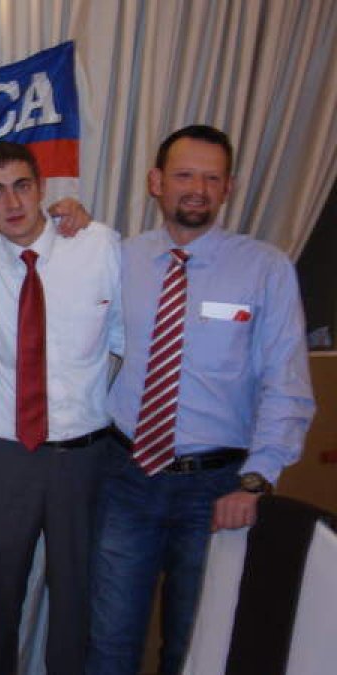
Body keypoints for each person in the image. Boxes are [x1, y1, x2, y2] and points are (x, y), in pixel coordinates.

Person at [88, 125, 316, 675]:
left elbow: (286, 382)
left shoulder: (266, 268)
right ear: (156, 182)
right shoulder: (120, 258)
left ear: (229, 187)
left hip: (217, 490)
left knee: (196, 651)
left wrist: (257, 478)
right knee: (108, 644)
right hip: (126, 478)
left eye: (212, 178)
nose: (198, 188)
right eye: (185, 175)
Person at [0, 141, 121, 675]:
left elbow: (130, 336)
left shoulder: (98, 245)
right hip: (6, 454)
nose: (12, 202)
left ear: (43, 189)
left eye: (23, 186)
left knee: (78, 599)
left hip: (83, 453)